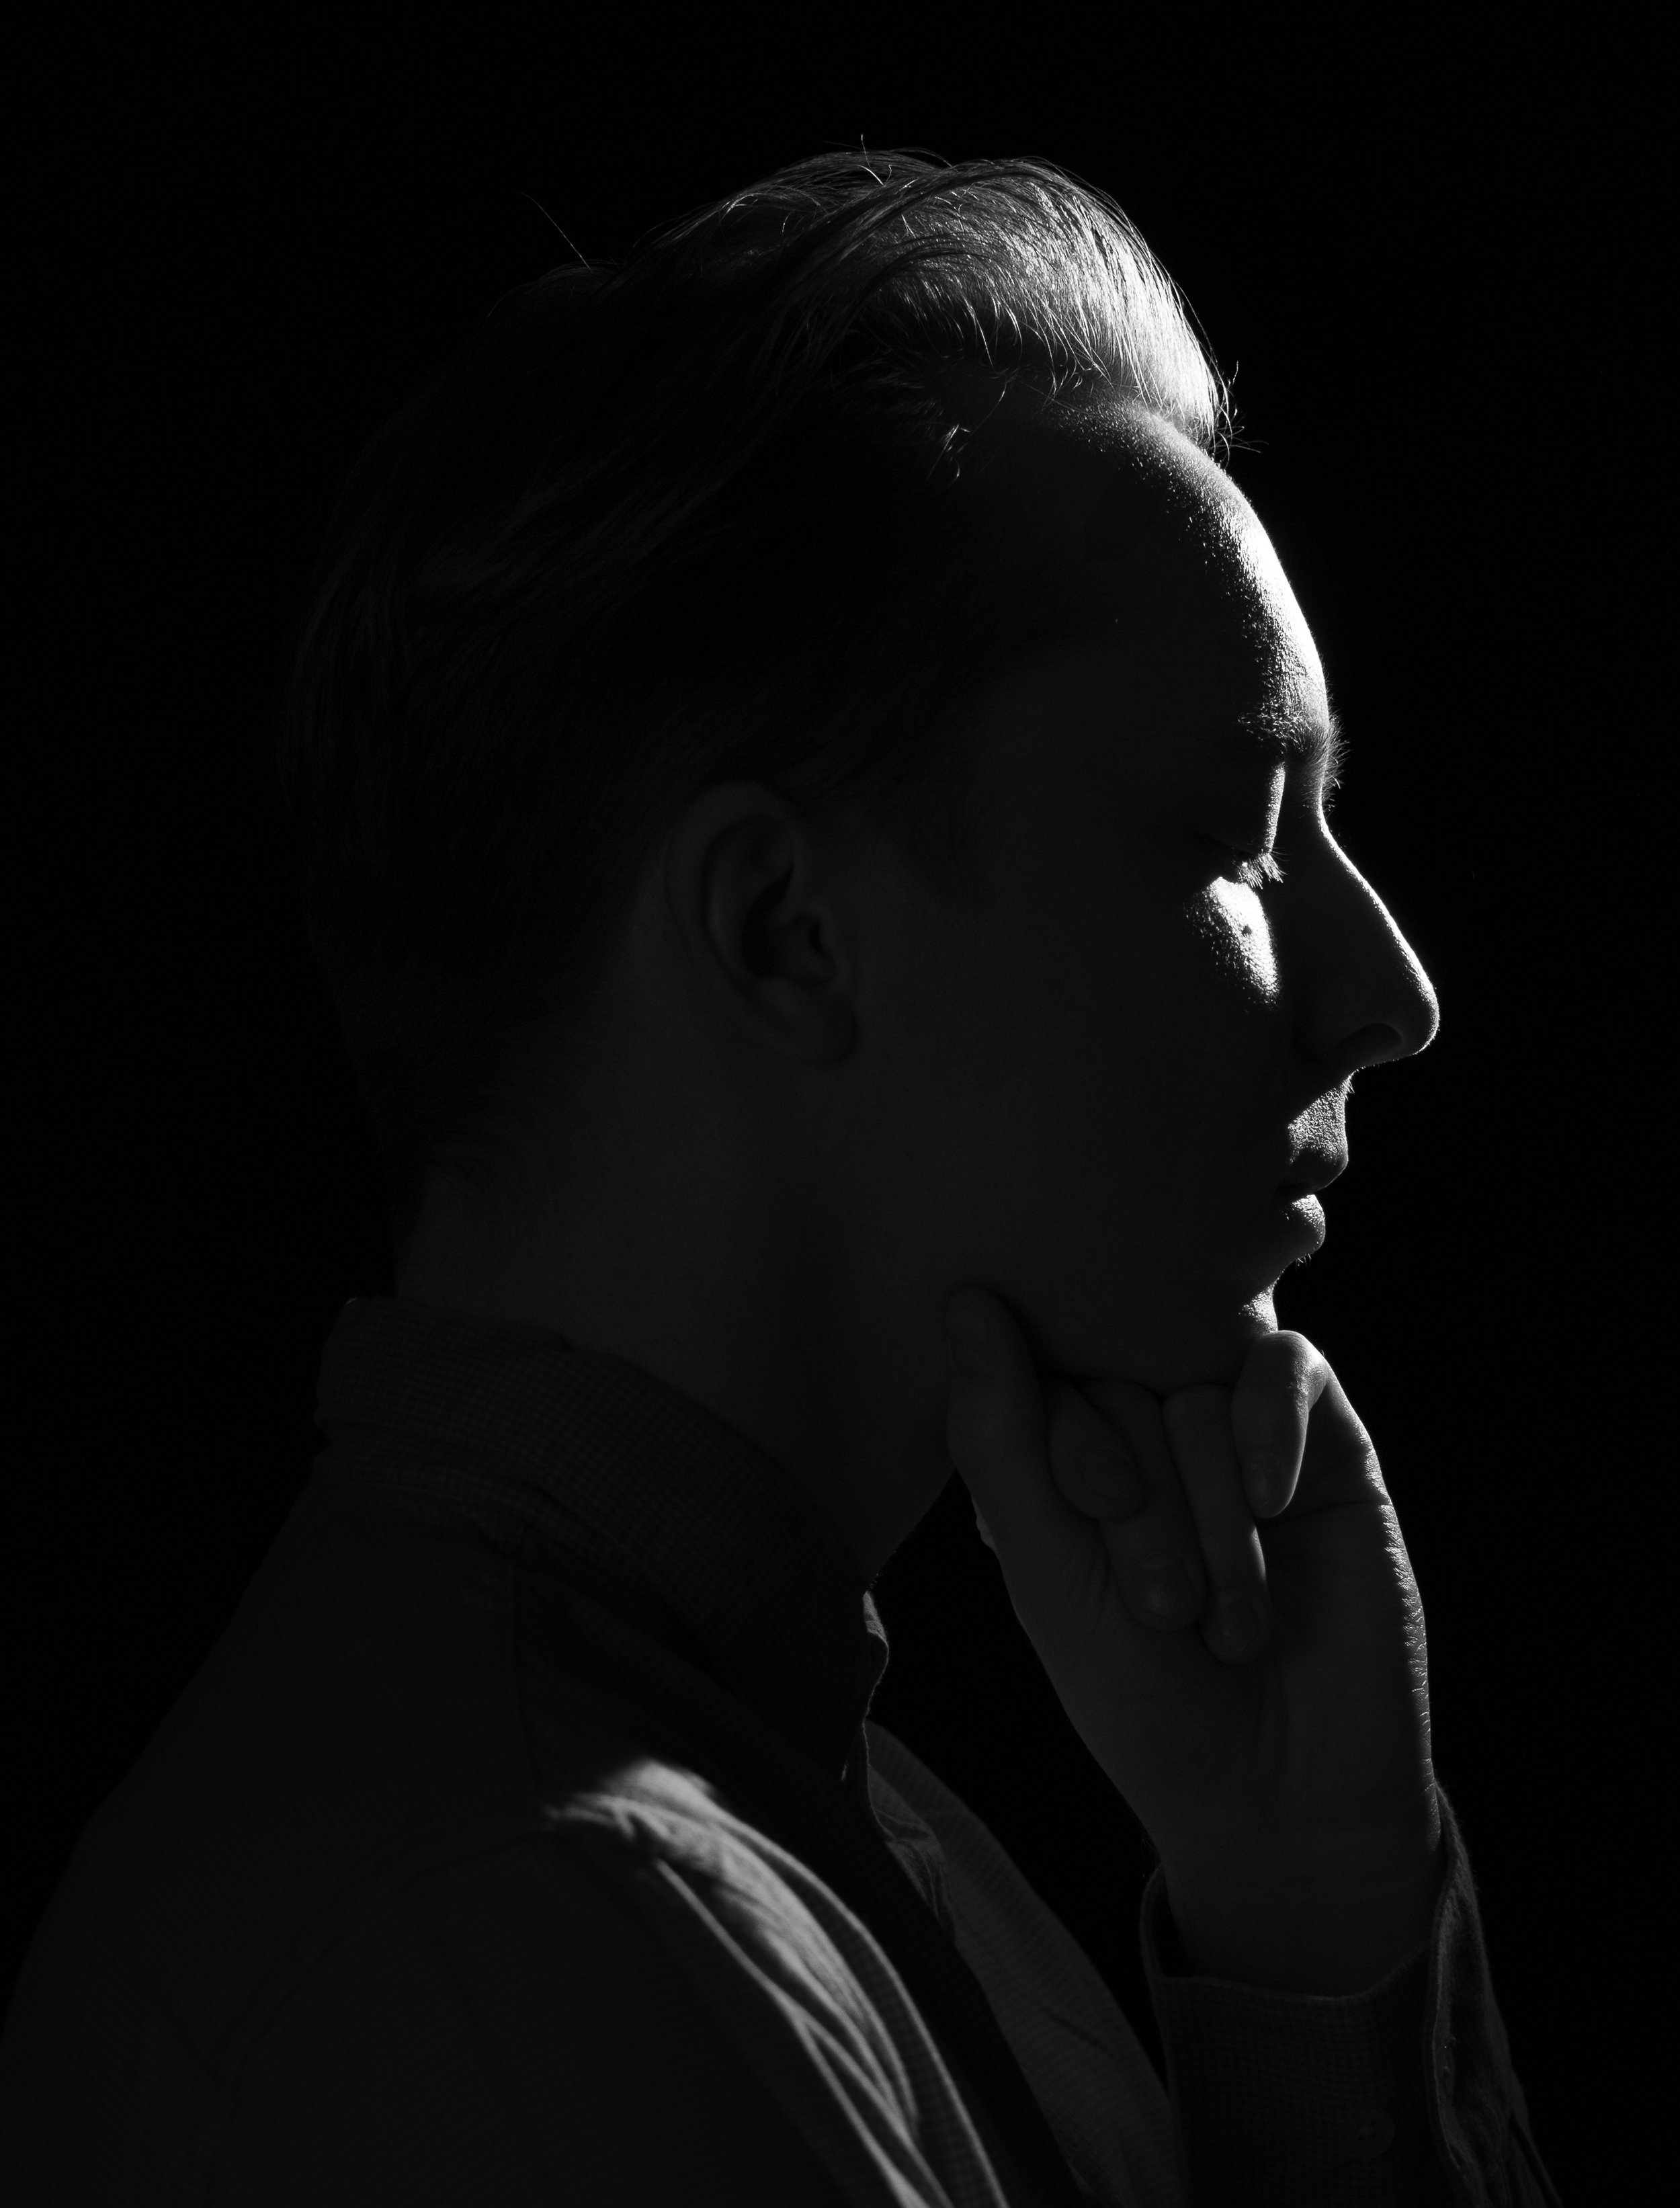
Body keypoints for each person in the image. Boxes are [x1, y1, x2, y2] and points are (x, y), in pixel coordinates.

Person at [0, 151, 1561, 2205]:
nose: (1393, 997)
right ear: (780, 932)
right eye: (1235, 839)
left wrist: (1314, 1920)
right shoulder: (541, 1953)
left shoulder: (787, 1835)